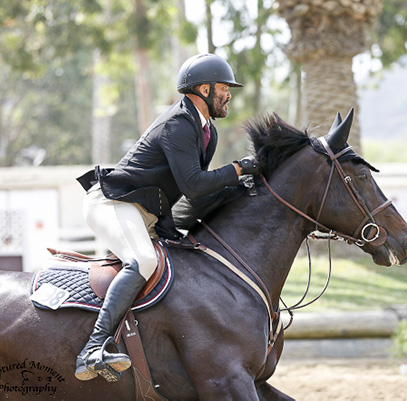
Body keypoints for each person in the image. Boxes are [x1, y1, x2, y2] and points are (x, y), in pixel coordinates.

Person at [74, 53, 259, 381]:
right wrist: (237, 169)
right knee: (143, 260)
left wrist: (245, 186)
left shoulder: (206, 132)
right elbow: (194, 184)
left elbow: (198, 192)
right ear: (204, 89)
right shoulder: (179, 123)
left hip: (142, 213)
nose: (229, 94)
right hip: (112, 204)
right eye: (224, 88)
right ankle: (92, 348)